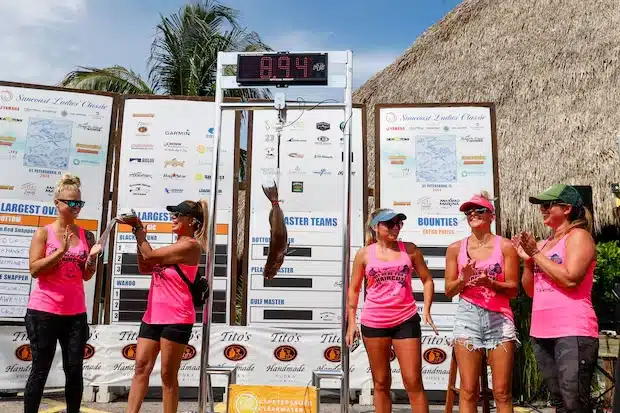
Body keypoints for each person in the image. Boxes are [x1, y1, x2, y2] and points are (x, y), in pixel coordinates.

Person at [513, 184, 599, 413]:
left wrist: (536, 254)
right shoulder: (541, 245)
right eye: (540, 206)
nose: (542, 209)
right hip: (542, 331)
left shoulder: (579, 236)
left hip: (573, 329)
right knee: (559, 403)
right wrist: (528, 262)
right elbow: (530, 291)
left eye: (547, 205)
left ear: (567, 208)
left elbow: (571, 279)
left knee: (575, 402)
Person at [118, 200, 208, 413]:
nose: (173, 217)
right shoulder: (173, 246)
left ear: (193, 221)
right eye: (173, 213)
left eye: (178, 214)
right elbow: (144, 265)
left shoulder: (191, 246)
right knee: (140, 368)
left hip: (177, 317)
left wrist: (139, 229)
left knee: (168, 376)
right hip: (152, 316)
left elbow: (150, 255)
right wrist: (137, 235)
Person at [346, 208, 437, 413]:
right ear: (375, 227)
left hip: (405, 319)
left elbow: (427, 280)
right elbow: (353, 290)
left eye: (399, 223)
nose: (395, 227)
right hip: (374, 322)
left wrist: (427, 310)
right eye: (390, 224)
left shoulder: (410, 249)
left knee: (413, 381)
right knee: (381, 381)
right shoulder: (363, 254)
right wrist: (351, 322)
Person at [25, 173, 102, 413]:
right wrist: (61, 251)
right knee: (41, 368)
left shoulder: (85, 235)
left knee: (75, 369)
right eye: (71, 202)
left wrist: (91, 259)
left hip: (75, 313)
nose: (76, 207)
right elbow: (34, 270)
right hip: (44, 311)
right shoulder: (43, 233)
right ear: (57, 203)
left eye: (79, 203)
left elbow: (86, 275)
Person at [444, 192, 520, 413]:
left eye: (479, 210)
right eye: (469, 212)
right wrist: (462, 280)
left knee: (502, 392)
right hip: (468, 316)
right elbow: (449, 291)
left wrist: (491, 283)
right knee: (468, 390)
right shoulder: (455, 249)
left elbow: (514, 289)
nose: (473, 215)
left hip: (499, 318)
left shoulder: (505, 247)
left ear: (491, 216)